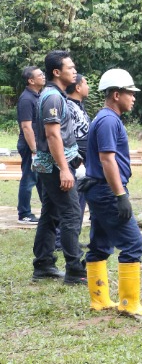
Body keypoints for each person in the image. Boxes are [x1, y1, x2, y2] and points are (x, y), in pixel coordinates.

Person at [83, 68, 142, 317]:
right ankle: (129, 304)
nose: (133, 97)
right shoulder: (109, 121)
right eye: (129, 93)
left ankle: (99, 300)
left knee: (100, 245)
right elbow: (107, 160)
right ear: (115, 95)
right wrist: (120, 195)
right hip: (107, 191)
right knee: (133, 244)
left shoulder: (104, 119)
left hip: (100, 190)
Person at [30, 49, 86, 285]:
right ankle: (75, 270)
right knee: (71, 214)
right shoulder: (53, 97)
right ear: (57, 72)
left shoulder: (56, 95)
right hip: (54, 168)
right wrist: (64, 169)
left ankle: (43, 264)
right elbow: (53, 136)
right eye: (70, 68)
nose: (74, 71)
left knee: (50, 214)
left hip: (52, 166)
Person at [16, 65, 45, 224]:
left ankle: (47, 209)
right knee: (29, 178)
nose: (43, 76)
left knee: (41, 178)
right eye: (39, 75)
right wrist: (34, 149)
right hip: (30, 145)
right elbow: (26, 126)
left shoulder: (37, 96)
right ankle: (24, 214)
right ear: (31, 80)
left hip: (37, 145)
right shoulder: (26, 99)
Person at [65, 73, 92, 219]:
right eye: (85, 83)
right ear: (78, 87)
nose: (88, 87)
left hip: (84, 159)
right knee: (75, 201)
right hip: (76, 160)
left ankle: (72, 238)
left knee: (81, 198)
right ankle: (62, 241)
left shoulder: (79, 106)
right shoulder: (68, 107)